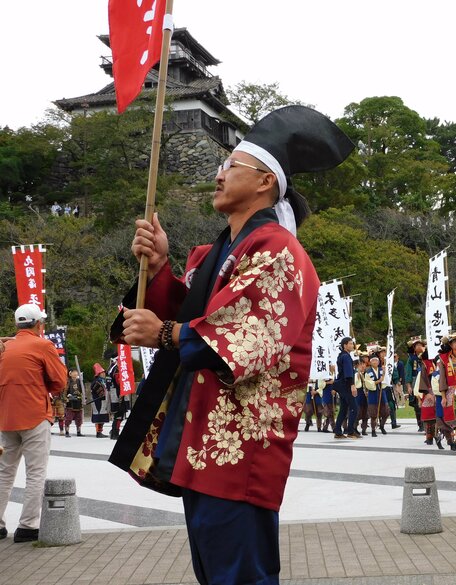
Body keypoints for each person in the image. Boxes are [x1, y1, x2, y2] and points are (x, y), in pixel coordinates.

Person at [110, 106, 354, 585]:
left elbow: (244, 337)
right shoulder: (224, 251)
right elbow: (199, 313)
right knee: (217, 573)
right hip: (206, 437)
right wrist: (160, 269)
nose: (219, 175)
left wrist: (163, 332)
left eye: (231, 166)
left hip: (240, 443)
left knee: (240, 577)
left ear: (265, 182)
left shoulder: (279, 250)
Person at [0, 304, 68, 543]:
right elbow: (60, 381)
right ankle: (27, 526)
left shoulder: (4, 347)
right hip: (35, 416)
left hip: (6, 418)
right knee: (35, 473)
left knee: (4, 473)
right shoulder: (43, 345)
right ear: (39, 325)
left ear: (17, 324)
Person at [405, 337, 426, 432]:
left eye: (420, 345)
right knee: (417, 405)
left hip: (426, 381)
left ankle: (427, 423)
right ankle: (420, 424)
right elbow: (408, 372)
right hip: (415, 381)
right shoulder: (411, 358)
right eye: (416, 345)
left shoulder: (427, 356)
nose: (418, 347)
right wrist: (409, 386)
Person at [90, 364, 110, 438]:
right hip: (97, 401)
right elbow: (100, 392)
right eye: (102, 373)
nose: (104, 374)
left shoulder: (103, 381)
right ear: (98, 374)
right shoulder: (96, 382)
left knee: (102, 416)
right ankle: (98, 432)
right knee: (99, 416)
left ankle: (100, 431)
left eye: (104, 372)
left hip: (103, 401)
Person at [64, 368, 85, 437]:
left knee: (79, 418)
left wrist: (83, 398)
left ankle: (79, 431)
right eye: (74, 372)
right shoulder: (67, 382)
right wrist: (66, 398)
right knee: (68, 418)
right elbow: (64, 392)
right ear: (70, 374)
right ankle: (67, 431)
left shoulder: (80, 381)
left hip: (79, 402)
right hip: (70, 402)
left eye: (76, 372)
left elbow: (83, 391)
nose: (75, 373)